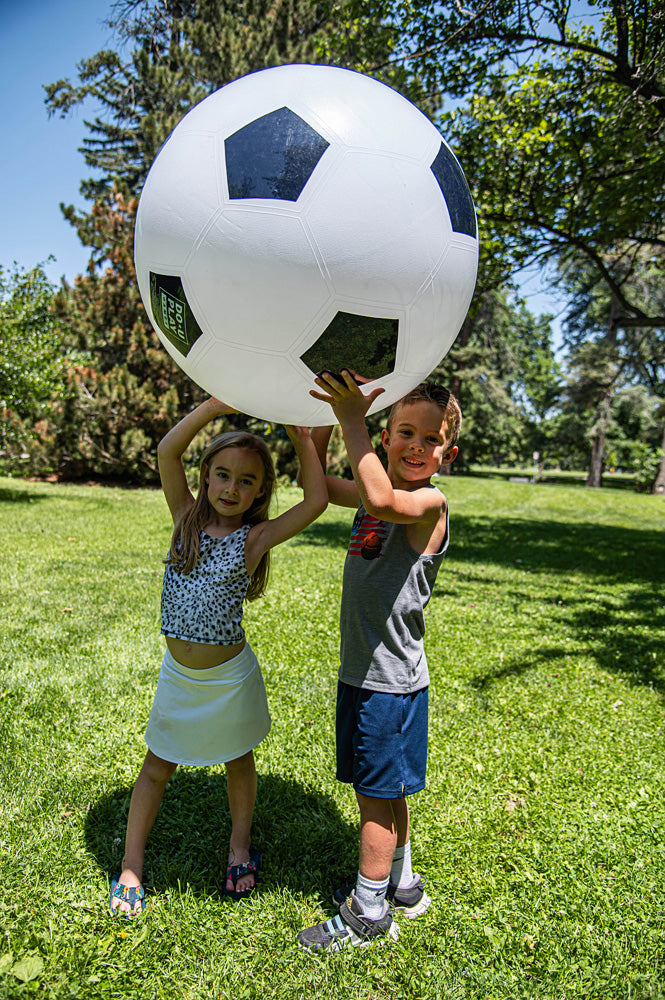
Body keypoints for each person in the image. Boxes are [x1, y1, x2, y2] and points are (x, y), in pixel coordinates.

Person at [110, 396, 327, 917]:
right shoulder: (184, 516)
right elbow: (167, 452)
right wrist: (214, 406)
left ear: (260, 492)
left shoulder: (254, 538)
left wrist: (302, 439)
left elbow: (316, 501)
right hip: (179, 679)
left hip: (229, 680)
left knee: (237, 760)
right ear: (205, 474)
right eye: (223, 475)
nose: (231, 488)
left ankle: (239, 848)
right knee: (156, 766)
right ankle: (131, 865)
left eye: (246, 481)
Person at [296, 372, 461, 953]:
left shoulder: (428, 503)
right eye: (406, 432)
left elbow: (383, 501)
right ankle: (403, 883)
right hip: (368, 674)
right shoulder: (376, 490)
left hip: (388, 682)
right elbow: (316, 488)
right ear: (386, 439)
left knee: (373, 796)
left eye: (431, 439)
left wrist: (350, 419)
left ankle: (368, 913)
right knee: (389, 790)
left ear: (447, 455)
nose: (417, 446)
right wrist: (310, 434)